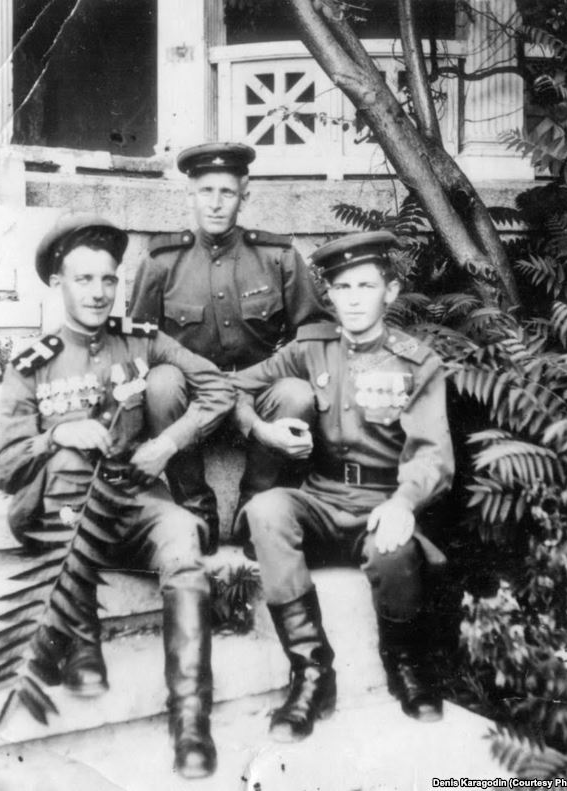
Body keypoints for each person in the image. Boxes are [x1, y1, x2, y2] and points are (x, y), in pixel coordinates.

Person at [0, 215, 236, 778]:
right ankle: (81, 639)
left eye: (108, 279)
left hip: (130, 501)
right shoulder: (33, 364)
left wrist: (168, 442)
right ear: (58, 283)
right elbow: (6, 468)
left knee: (182, 534)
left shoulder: (141, 340)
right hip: (57, 515)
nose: (99, 292)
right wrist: (56, 435)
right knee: (69, 459)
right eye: (84, 280)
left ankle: (190, 719)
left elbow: (217, 387)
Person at [232, 231, 455, 742]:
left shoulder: (416, 361)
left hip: (380, 503)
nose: (353, 299)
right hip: (321, 499)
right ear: (329, 295)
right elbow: (234, 386)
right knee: (267, 511)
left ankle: (405, 664)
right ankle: (312, 673)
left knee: (393, 549)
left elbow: (432, 453)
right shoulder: (313, 348)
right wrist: (260, 428)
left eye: (366, 286)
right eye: (342, 288)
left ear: (390, 292)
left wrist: (404, 502)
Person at [128, 142, 333, 550]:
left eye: (227, 192)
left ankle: (255, 512)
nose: (216, 203)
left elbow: (312, 331)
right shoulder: (162, 260)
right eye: (206, 191)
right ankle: (195, 510)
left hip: (258, 396)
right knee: (161, 382)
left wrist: (277, 373)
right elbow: (138, 341)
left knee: (296, 393)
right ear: (190, 194)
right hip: (192, 402)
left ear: (245, 194)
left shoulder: (277, 256)